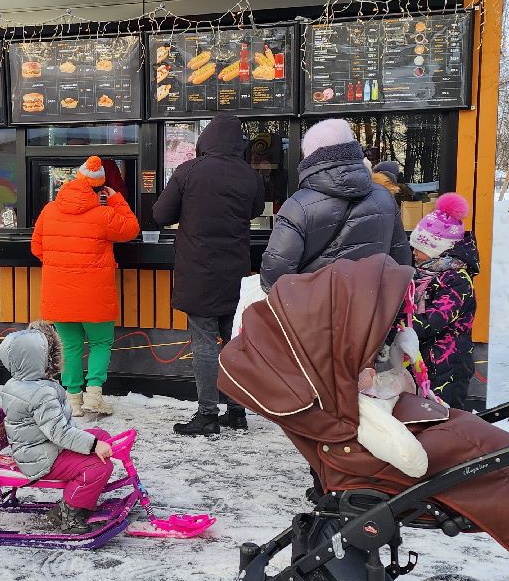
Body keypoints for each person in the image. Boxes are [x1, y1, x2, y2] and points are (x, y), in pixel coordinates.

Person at [152, 112, 265, 436]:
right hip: (236, 273)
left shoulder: (188, 172)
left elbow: (160, 214)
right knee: (234, 344)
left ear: (206, 140)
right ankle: (237, 411)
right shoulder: (249, 176)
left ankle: (207, 415)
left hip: (198, 273)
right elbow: (256, 210)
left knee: (204, 344)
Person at [32, 155, 140, 416]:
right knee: (101, 343)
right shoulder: (104, 214)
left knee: (70, 346)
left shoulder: (49, 210)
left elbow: (37, 248)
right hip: (96, 296)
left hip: (59, 294)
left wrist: (61, 264)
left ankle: (73, 400)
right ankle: (94, 395)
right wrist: (115, 199)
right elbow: (132, 228)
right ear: (99, 188)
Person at [259, 118, 411, 291]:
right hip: (372, 311)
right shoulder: (384, 197)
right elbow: (401, 262)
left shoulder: (297, 206)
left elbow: (275, 277)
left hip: (316, 312)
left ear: (309, 157)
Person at [0, 321, 116, 533]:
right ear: (38, 359)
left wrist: (94, 441)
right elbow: (59, 433)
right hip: (43, 457)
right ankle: (68, 512)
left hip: (35, 447)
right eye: (49, 355)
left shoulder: (20, 383)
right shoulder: (40, 392)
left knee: (101, 435)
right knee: (99, 467)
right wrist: (93, 445)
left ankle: (82, 495)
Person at [408, 193, 478, 410]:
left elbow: (434, 320)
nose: (415, 254)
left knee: (446, 418)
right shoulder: (424, 274)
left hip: (449, 365)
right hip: (426, 360)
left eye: (420, 249)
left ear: (437, 250)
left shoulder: (457, 280)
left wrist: (400, 326)